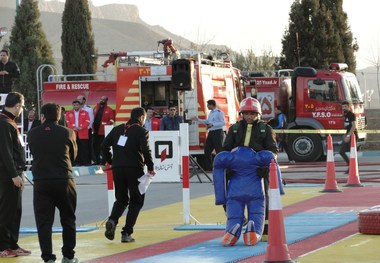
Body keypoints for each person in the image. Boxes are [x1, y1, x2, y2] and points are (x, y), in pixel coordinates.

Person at [27, 103, 78, 263]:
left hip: (42, 181)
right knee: (68, 219)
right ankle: (68, 255)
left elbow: (35, 153)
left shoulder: (32, 134)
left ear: (42, 116)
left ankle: (48, 257)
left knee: (44, 222)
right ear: (59, 116)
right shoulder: (68, 132)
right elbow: (73, 155)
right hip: (64, 179)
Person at [222, 97, 278, 242]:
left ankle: (264, 231)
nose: (249, 117)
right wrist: (227, 168)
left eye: (252, 114)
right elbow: (226, 150)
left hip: (258, 171)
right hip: (237, 172)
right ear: (241, 114)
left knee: (263, 200)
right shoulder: (234, 129)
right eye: (246, 113)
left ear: (258, 114)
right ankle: (237, 225)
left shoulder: (266, 129)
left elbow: (273, 151)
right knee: (229, 199)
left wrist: (266, 168)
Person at [101, 107, 156, 243]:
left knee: (121, 199)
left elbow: (103, 145)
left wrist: (110, 161)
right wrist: (150, 166)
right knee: (136, 200)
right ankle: (126, 233)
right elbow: (145, 149)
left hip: (118, 169)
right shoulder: (142, 131)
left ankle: (112, 220)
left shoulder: (117, 129)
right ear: (142, 117)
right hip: (134, 169)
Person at [0, 92, 31, 258]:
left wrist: (20, 173)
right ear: (18, 105)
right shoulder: (3, 123)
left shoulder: (10, 122)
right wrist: (13, 175)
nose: (22, 110)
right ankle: (2, 245)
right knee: (6, 209)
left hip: (16, 172)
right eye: (22, 107)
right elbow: (4, 152)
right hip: (7, 174)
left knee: (15, 209)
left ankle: (12, 243)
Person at [191, 99, 226, 171]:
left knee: (219, 150)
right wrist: (198, 119)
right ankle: (209, 167)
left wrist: (212, 124)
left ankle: (221, 166)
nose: (207, 106)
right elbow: (207, 122)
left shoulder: (219, 112)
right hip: (211, 133)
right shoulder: (210, 113)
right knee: (207, 150)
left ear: (211, 105)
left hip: (218, 132)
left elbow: (223, 123)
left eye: (208, 105)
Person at [66, 100, 90, 166]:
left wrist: (81, 127)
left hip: (83, 133)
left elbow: (87, 121)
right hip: (73, 133)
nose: (76, 106)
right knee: (74, 149)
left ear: (79, 105)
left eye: (77, 105)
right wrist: (73, 128)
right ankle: (76, 162)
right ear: (72, 106)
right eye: (74, 105)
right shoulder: (69, 113)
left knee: (84, 148)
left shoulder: (85, 112)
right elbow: (68, 122)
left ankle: (85, 162)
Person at [92, 96, 114, 165]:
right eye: (101, 99)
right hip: (95, 131)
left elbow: (112, 120)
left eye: (103, 100)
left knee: (103, 146)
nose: (101, 100)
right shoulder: (95, 108)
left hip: (103, 132)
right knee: (95, 146)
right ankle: (97, 160)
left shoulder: (109, 109)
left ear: (106, 101)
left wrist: (105, 124)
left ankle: (104, 161)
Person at [339, 100, 358, 174]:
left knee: (353, 153)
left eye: (345, 107)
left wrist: (348, 136)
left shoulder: (351, 115)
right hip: (347, 135)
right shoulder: (345, 115)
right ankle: (351, 166)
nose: (344, 108)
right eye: (343, 107)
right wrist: (344, 134)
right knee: (341, 151)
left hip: (352, 136)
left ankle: (354, 168)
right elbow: (347, 126)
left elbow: (353, 126)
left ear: (349, 107)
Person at [77, 95, 94, 162]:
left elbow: (91, 120)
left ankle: (87, 161)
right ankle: (78, 161)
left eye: (80, 99)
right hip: (77, 130)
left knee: (86, 146)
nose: (78, 100)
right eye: (77, 99)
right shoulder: (76, 109)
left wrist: (84, 128)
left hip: (86, 130)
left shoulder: (88, 109)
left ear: (84, 100)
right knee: (78, 146)